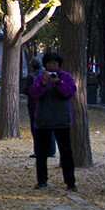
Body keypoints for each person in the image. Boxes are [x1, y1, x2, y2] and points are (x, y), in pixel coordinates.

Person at [28, 50, 77, 191]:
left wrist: (58, 83)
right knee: (41, 153)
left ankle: (70, 182)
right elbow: (33, 93)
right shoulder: (39, 78)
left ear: (59, 64)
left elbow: (70, 92)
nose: (52, 66)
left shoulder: (66, 77)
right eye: (49, 63)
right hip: (43, 121)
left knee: (66, 152)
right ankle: (42, 180)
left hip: (62, 121)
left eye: (54, 63)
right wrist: (44, 82)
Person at [25, 56, 55, 160]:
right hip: (48, 104)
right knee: (49, 127)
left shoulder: (31, 76)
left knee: (36, 128)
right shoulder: (48, 75)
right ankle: (51, 150)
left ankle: (38, 150)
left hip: (34, 105)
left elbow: (26, 90)